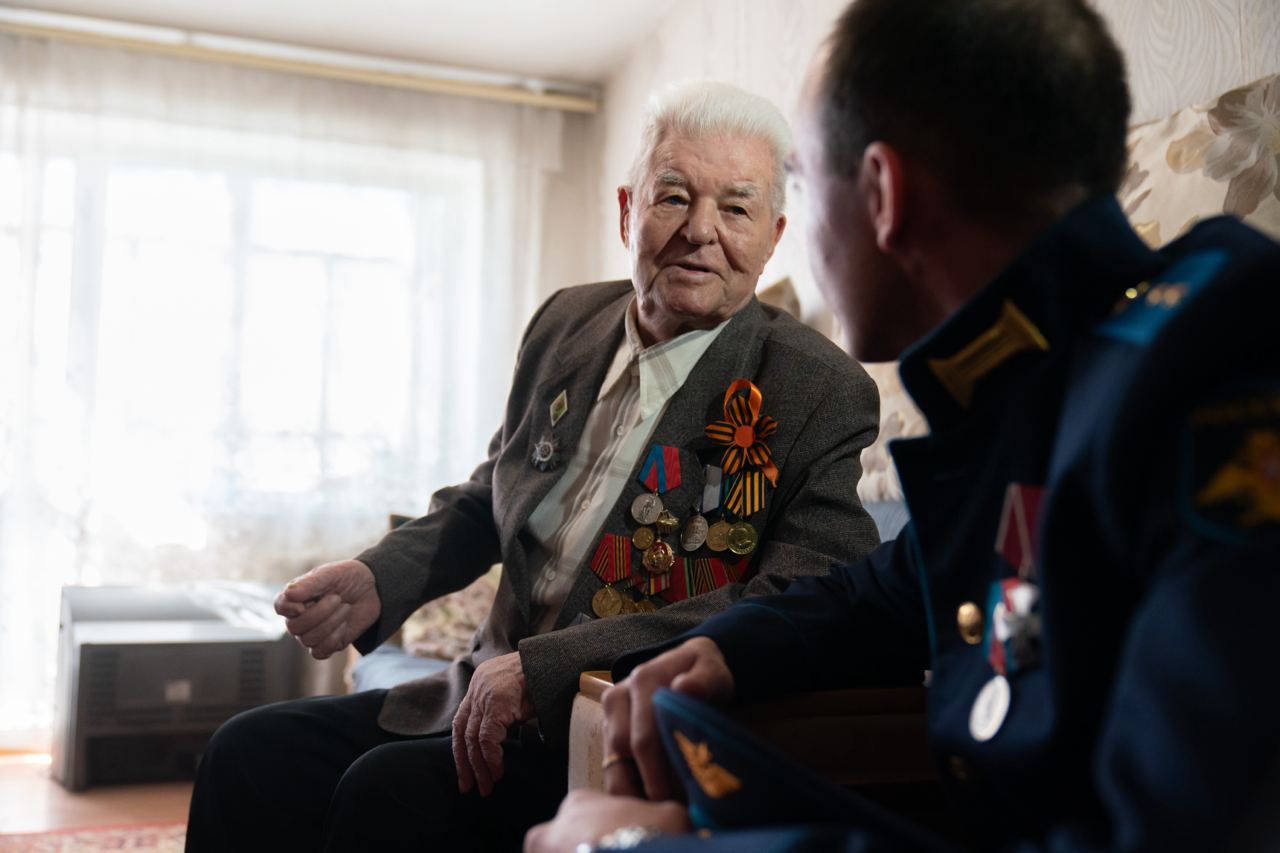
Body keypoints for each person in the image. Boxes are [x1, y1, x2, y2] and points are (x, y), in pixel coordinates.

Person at [526, 0, 1280, 850]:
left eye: (800, 183)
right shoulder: (1047, 380)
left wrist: (635, 847)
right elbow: (888, 588)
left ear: (884, 194)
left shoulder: (1228, 357)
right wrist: (725, 648)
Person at [185, 80, 885, 852]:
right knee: (245, 754)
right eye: (674, 197)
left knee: (383, 793)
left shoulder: (817, 387)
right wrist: (382, 575)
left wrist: (549, 667)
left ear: (774, 234)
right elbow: (496, 487)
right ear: (628, 211)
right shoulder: (566, 322)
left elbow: (802, 595)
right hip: (472, 694)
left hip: (602, 728)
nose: (700, 231)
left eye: (737, 209)